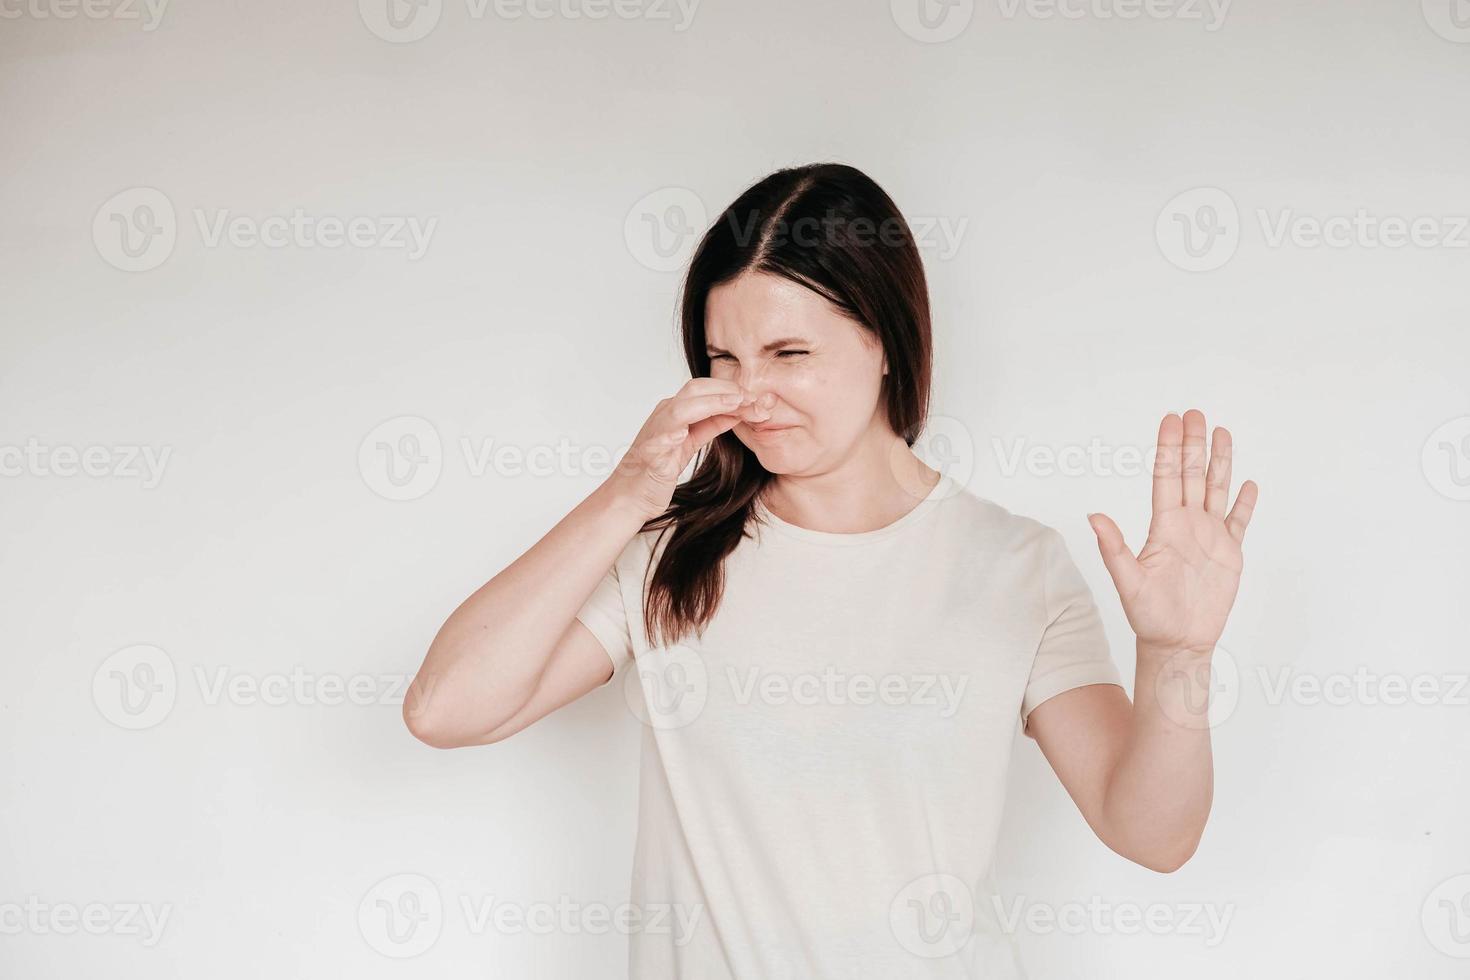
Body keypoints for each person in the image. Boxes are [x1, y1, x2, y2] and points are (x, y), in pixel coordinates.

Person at [402, 162, 1260, 978]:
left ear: (886, 340)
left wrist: (1177, 657)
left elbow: (1152, 833)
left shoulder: (1016, 566)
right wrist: (628, 493)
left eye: (789, 354)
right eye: (723, 360)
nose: (750, 397)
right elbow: (446, 709)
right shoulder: (672, 558)